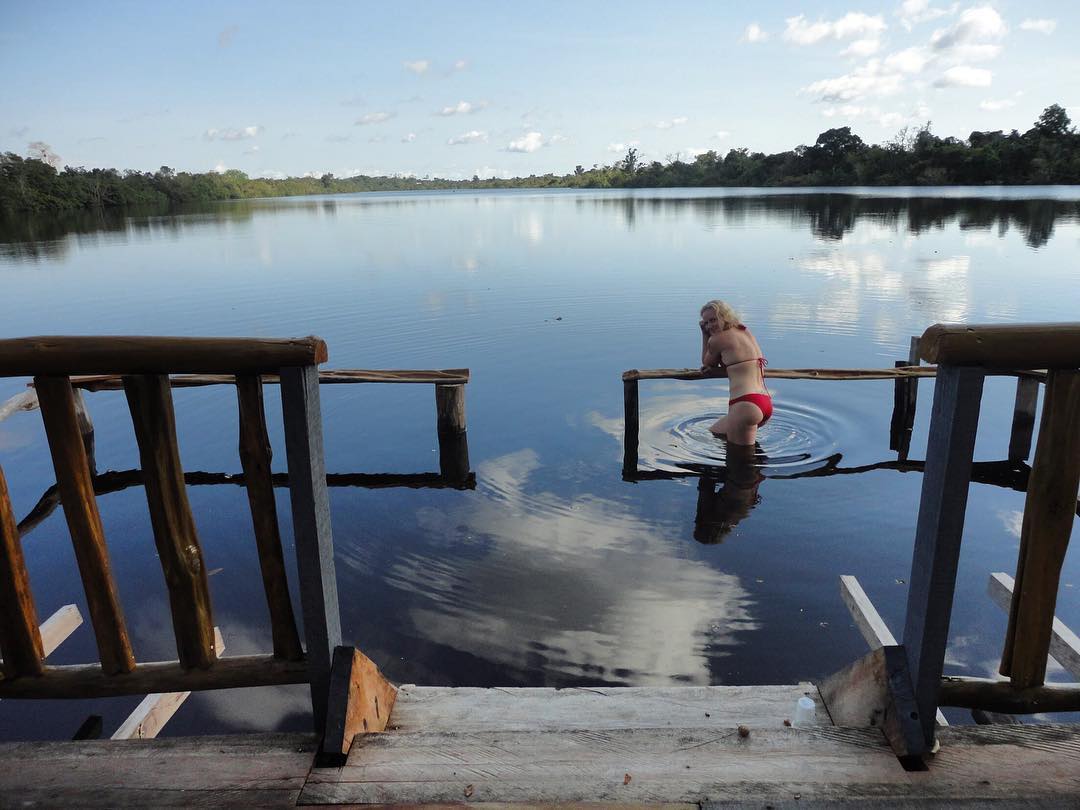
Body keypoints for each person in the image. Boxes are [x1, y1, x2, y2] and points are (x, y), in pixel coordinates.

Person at [699, 300, 772, 444]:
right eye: (705, 323)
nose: (709, 326)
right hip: (764, 402)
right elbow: (739, 361)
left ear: (724, 316)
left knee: (741, 457)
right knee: (715, 431)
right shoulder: (744, 330)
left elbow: (707, 362)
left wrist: (704, 334)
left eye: (713, 320)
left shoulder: (717, 339)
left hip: (744, 405)